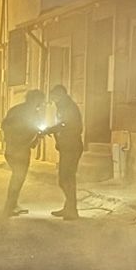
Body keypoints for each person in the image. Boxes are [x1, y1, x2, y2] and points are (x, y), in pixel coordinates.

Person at [1, 90, 46, 218]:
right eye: (40, 101)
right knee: (18, 178)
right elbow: (34, 130)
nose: (41, 104)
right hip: (20, 150)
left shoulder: (15, 110)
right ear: (35, 100)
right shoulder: (33, 114)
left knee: (17, 176)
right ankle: (9, 208)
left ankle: (12, 205)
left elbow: (5, 125)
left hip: (11, 149)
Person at [46, 85, 85, 220]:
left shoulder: (68, 107)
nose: (53, 100)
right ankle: (68, 207)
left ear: (61, 94)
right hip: (67, 146)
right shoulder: (62, 106)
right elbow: (62, 126)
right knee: (67, 178)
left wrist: (50, 129)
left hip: (72, 147)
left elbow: (66, 125)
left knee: (65, 179)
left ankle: (72, 209)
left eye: (55, 96)